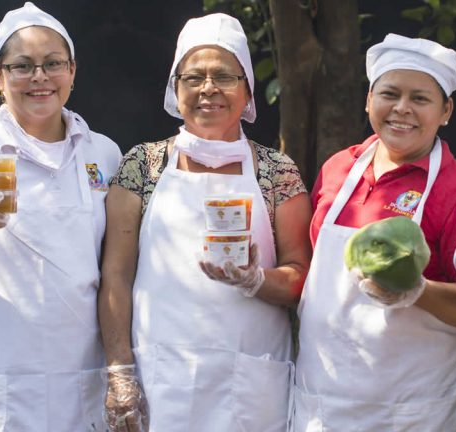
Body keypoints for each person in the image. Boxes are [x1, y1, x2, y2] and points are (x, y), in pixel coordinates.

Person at [98, 13, 312, 431]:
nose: (208, 89)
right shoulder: (143, 165)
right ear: (175, 88)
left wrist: (255, 280)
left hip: (250, 385)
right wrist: (120, 371)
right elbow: (116, 277)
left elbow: (300, 279)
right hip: (161, 381)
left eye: (224, 76)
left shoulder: (276, 171)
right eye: (193, 77)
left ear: (247, 88)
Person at [0, 2, 122, 430]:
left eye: (52, 63)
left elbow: (117, 269)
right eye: (22, 66)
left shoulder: (103, 154)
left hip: (83, 389)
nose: (39, 77)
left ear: (72, 70)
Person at [294, 34, 456, 431]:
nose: (402, 109)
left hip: (417, 406)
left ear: (446, 110)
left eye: (420, 98)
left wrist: (416, 291)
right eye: (390, 94)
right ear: (368, 101)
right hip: (325, 397)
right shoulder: (338, 169)